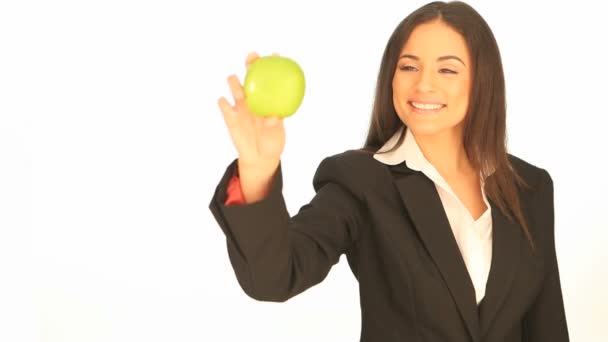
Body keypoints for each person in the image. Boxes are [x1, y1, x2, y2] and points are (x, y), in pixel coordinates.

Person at [209, 1, 569, 341]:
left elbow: (546, 325)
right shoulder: (360, 180)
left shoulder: (530, 187)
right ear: (391, 77)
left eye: (447, 69)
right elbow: (273, 278)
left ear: (482, 81)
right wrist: (258, 167)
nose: (424, 84)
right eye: (409, 66)